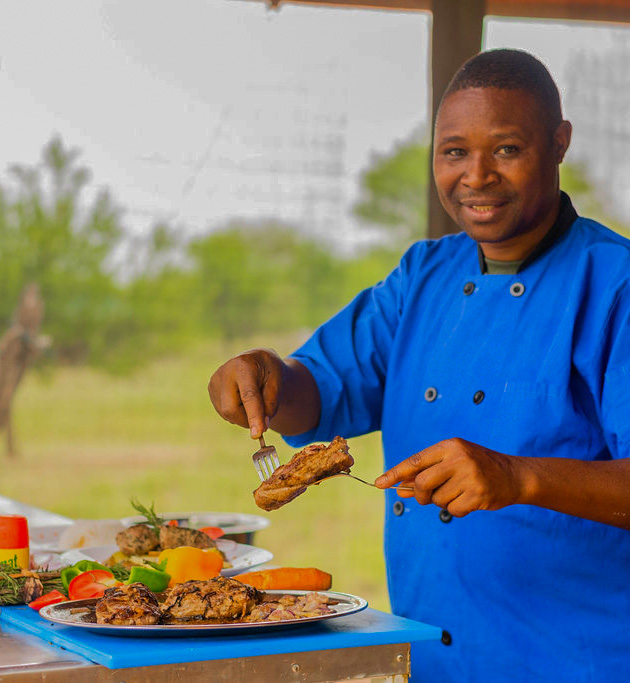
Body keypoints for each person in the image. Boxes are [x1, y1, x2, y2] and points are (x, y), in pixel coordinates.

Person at [208, 49, 630, 681]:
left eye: (507, 149)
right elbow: (317, 390)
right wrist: (267, 376)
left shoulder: (615, 283)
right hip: (433, 656)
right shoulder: (422, 276)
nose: (476, 175)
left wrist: (517, 477)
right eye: (454, 151)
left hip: (577, 661)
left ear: (559, 142)